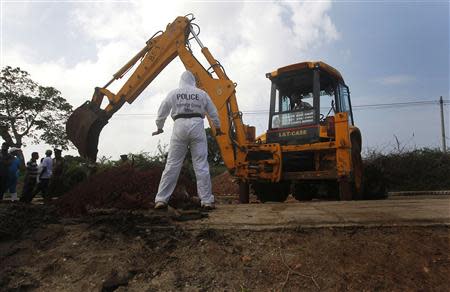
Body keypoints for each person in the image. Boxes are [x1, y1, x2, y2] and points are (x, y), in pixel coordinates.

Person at [152, 70, 223, 210]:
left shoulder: (174, 93)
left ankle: (161, 200)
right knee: (201, 164)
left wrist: (159, 127)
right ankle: (207, 201)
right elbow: (213, 112)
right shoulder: (201, 93)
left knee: (172, 164)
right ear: (193, 81)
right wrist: (218, 127)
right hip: (197, 125)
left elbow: (163, 110)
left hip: (179, 125)